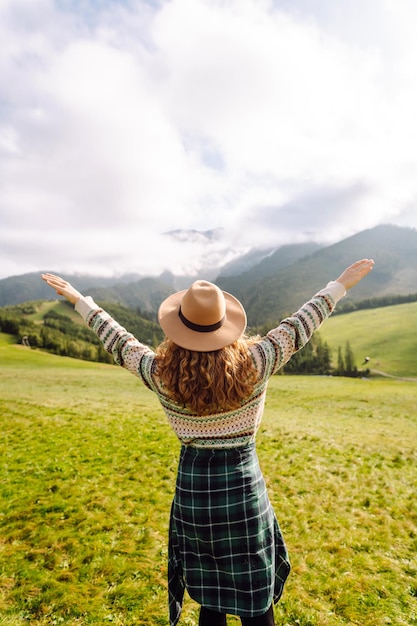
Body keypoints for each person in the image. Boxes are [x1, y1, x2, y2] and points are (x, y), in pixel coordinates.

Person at [42, 258, 374, 626]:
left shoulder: (161, 375)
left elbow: (121, 342)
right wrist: (338, 285)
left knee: (209, 594)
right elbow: (297, 327)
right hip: (244, 489)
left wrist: (80, 301)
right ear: (225, 326)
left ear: (177, 329)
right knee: (256, 593)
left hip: (195, 493)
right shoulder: (256, 363)